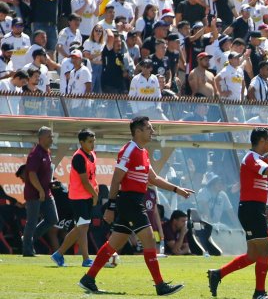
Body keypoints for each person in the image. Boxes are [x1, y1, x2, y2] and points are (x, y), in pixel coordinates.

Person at [78, 117, 194, 296]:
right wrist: (110, 206)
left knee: (114, 244)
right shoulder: (129, 150)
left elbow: (153, 179)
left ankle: (88, 278)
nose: (152, 131)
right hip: (129, 202)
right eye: (149, 128)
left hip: (134, 202)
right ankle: (160, 285)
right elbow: (116, 179)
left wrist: (177, 189)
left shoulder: (143, 152)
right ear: (138, 131)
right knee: (149, 241)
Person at [208, 127, 268, 299]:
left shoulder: (260, 159)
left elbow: (255, 187)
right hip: (250, 210)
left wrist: (265, 209)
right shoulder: (251, 158)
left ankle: (217, 274)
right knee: (265, 250)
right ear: (262, 141)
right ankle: (259, 293)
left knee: (253, 255)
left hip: (255, 209)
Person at [52, 129, 99, 267]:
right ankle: (86, 259)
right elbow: (84, 181)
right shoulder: (78, 157)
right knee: (83, 227)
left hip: (87, 196)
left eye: (94, 141)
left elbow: (92, 178)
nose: (93, 144)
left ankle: (59, 254)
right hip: (78, 197)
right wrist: (95, 195)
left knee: (81, 228)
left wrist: (94, 192)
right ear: (81, 142)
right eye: (90, 142)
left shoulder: (92, 155)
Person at [23, 126, 58, 257]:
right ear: (41, 137)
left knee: (52, 219)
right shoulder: (35, 153)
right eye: (49, 136)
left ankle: (28, 239)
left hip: (46, 192)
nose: (52, 138)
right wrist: (40, 190)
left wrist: (51, 184)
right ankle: (27, 249)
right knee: (31, 221)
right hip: (34, 194)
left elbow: (45, 173)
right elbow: (32, 175)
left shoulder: (47, 152)